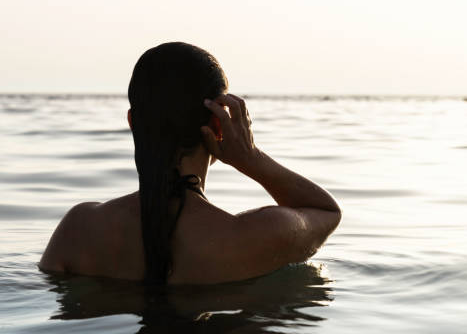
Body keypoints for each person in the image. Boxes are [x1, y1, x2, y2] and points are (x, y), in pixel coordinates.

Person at [39, 42, 341, 284]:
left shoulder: (78, 229)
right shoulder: (254, 236)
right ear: (219, 125)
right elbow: (326, 212)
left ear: (133, 122)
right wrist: (249, 158)